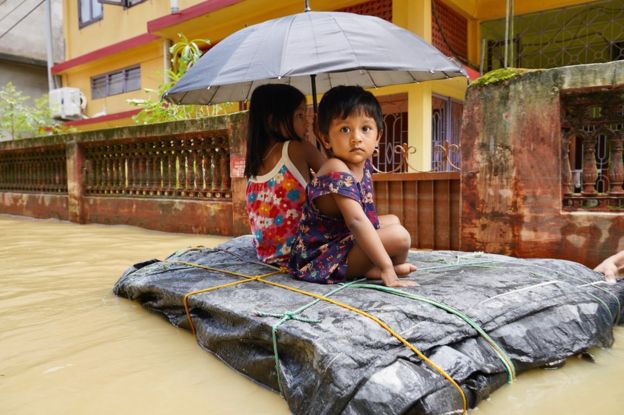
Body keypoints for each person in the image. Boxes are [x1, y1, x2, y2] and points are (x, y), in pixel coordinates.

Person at [288, 85, 417, 287]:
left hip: (343, 240)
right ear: (325, 139)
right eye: (345, 129)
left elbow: (367, 216)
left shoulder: (363, 165)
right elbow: (357, 221)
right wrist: (387, 269)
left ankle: (372, 268)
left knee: (393, 220)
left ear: (378, 137)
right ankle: (383, 269)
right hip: (319, 258)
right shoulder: (335, 168)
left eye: (365, 128)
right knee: (399, 237)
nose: (356, 137)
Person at [245, 84, 325, 267]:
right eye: (299, 115)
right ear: (273, 122)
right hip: (307, 253)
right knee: (395, 235)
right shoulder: (297, 148)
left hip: (270, 256)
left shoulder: (254, 163)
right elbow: (340, 181)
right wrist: (323, 138)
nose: (306, 123)